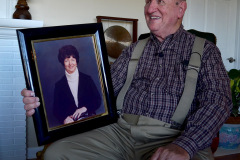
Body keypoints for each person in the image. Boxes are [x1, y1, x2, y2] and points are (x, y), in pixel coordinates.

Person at [21, 0, 232, 159]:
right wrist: (43, 106)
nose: (150, 9)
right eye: (148, 1)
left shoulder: (206, 51)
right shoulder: (133, 49)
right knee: (58, 153)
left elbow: (218, 101)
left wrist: (186, 144)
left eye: (160, 1)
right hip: (120, 132)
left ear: (180, 8)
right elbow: (103, 94)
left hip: (174, 135)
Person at [53, 45, 101, 125]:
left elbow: (97, 100)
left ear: (76, 61)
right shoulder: (59, 85)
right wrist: (65, 118)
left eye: (73, 59)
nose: (70, 63)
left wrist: (84, 108)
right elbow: (56, 110)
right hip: (71, 125)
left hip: (90, 121)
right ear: (63, 63)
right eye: (67, 60)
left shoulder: (87, 79)